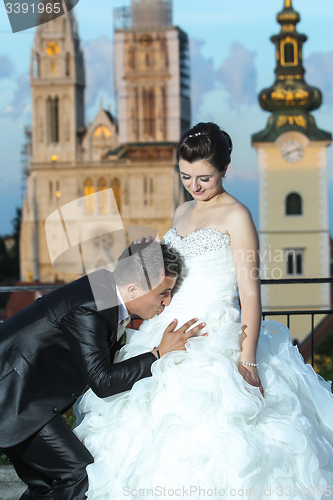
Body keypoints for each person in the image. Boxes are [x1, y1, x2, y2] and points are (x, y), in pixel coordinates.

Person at [75, 122, 333, 499]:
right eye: (185, 176)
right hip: (167, 330)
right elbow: (156, 272)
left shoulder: (237, 216)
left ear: (224, 170)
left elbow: (250, 295)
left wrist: (247, 361)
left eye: (204, 178)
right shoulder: (181, 211)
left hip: (215, 336)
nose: (194, 186)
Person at [0, 240, 206, 500]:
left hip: (24, 393)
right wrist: (159, 353)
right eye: (163, 293)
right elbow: (103, 381)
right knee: (78, 475)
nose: (167, 302)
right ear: (133, 288)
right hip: (12, 398)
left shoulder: (104, 287)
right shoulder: (90, 307)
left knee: (46, 485)